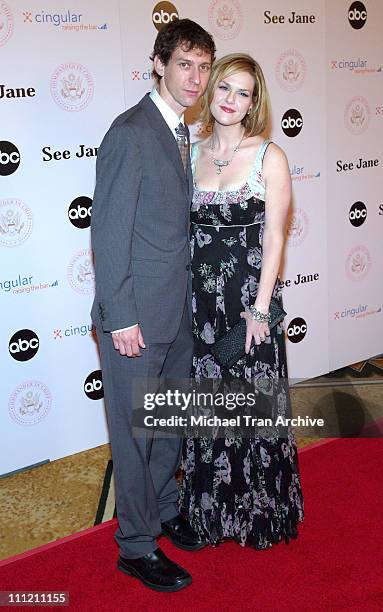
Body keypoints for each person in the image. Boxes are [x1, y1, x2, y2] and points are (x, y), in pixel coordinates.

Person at [91, 19, 215, 592]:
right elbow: (109, 233)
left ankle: (165, 510)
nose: (196, 77)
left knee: (167, 426)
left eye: (204, 66)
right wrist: (121, 317)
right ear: (159, 64)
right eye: (185, 63)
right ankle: (135, 545)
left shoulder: (182, 132)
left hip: (176, 313)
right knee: (136, 434)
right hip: (136, 319)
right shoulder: (131, 131)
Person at [179, 53, 304, 548]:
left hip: (248, 303)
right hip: (199, 303)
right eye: (224, 88)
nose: (231, 100)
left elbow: (274, 240)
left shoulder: (270, 156)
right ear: (211, 92)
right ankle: (210, 512)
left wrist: (259, 309)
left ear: (255, 102)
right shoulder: (190, 151)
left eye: (243, 92)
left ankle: (258, 512)